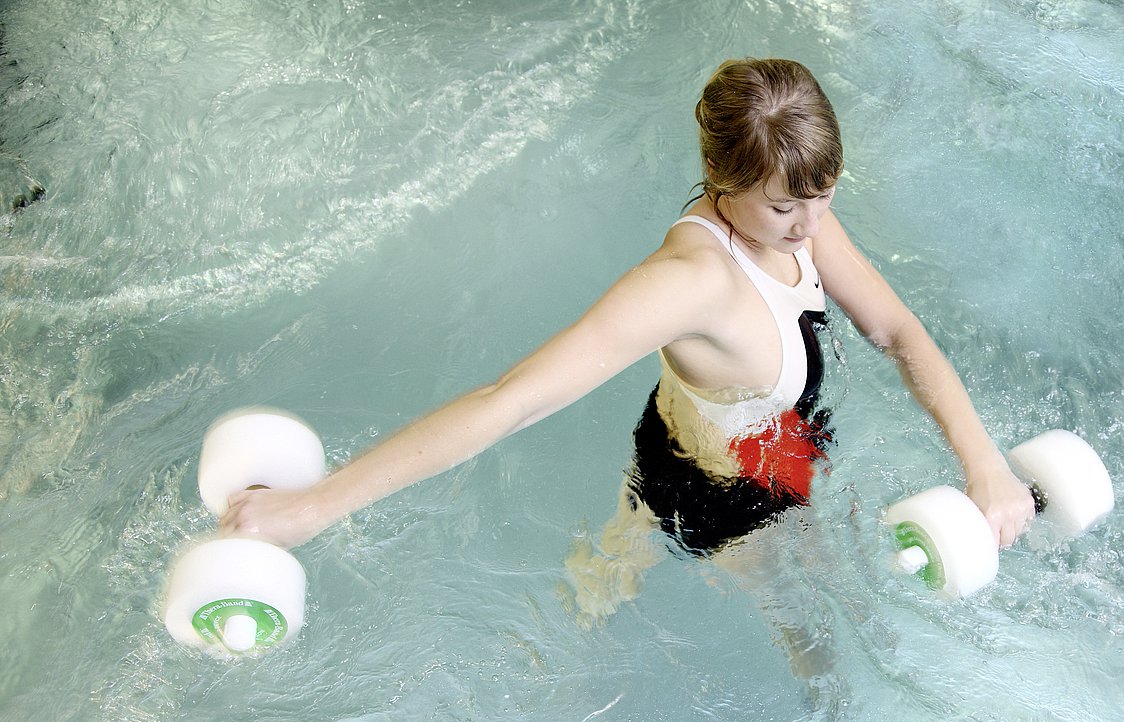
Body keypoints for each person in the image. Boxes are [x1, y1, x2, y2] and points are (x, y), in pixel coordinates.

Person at [220, 59, 1036, 628]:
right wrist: (314, 506)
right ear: (723, 182)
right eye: (788, 208)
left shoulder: (797, 212)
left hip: (757, 444)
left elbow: (895, 329)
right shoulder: (688, 284)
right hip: (726, 500)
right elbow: (508, 401)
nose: (813, 227)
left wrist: (985, 461)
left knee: (609, 580)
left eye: (824, 196)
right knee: (816, 642)